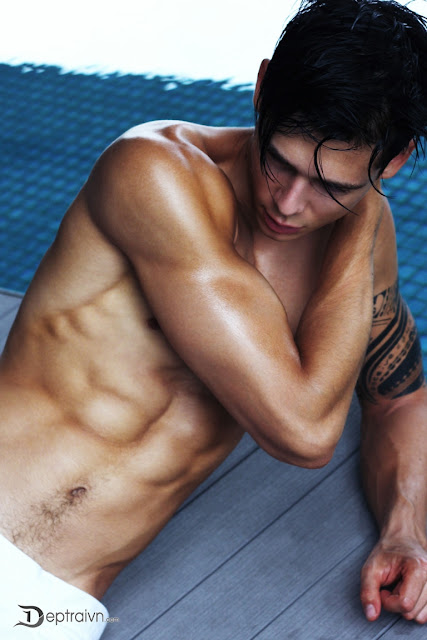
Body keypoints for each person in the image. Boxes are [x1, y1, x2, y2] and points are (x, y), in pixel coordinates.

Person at [1, 0, 426, 636]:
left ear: (392, 161)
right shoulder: (155, 173)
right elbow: (306, 433)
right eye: (280, 160)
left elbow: (399, 398)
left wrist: (405, 530)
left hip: (58, 607)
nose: (290, 202)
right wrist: (360, 208)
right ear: (261, 87)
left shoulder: (358, 249)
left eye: (331, 186)